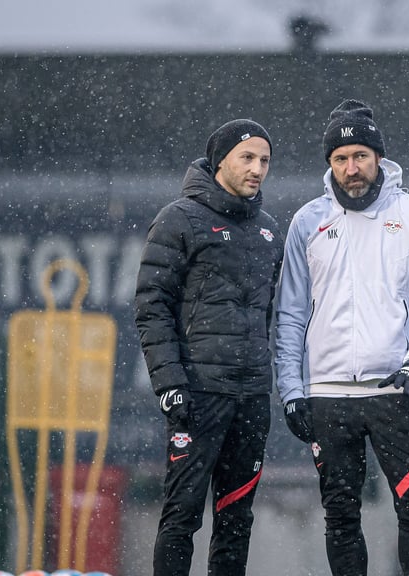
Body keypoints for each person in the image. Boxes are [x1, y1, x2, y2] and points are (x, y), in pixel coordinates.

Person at [274, 99, 409, 576]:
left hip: (393, 391)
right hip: (328, 397)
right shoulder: (307, 222)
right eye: (340, 158)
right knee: (341, 518)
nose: (351, 169)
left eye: (360, 156)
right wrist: (292, 390)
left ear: (379, 158)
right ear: (329, 164)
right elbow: (289, 315)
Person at [134, 118, 284, 576]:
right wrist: (170, 383)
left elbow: (270, 315)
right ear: (220, 160)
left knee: (237, 519)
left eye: (264, 160)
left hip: (252, 397)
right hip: (198, 396)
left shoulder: (269, 231)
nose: (257, 168)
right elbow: (150, 305)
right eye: (247, 157)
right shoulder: (179, 218)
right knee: (182, 516)